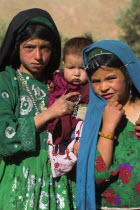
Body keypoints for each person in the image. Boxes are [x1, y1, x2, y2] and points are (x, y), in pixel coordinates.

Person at [0, 8, 80, 210]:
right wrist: (50, 113)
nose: (38, 55)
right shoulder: (6, 82)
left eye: (45, 47)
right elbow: (6, 138)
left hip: (60, 181)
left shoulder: (60, 83)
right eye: (29, 47)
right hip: (19, 179)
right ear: (16, 47)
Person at [76, 40, 140, 209]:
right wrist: (108, 128)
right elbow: (95, 177)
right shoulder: (90, 120)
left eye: (111, 78)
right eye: (96, 81)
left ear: (128, 75)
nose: (103, 87)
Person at [46, 35, 93, 177]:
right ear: (63, 64)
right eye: (71, 67)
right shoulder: (56, 81)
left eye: (82, 68)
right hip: (57, 130)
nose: (76, 73)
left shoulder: (90, 88)